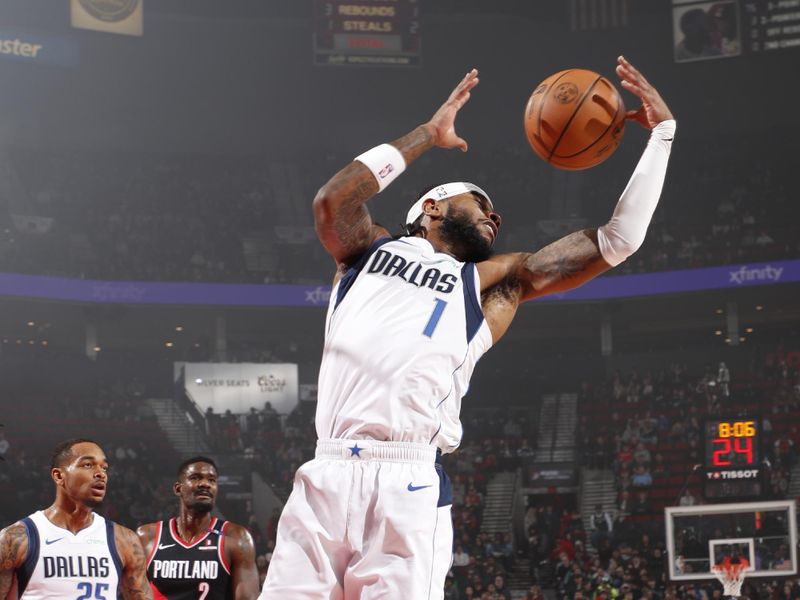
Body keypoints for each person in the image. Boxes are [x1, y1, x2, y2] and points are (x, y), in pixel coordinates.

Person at [262, 55, 675, 599]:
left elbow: (617, 240)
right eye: (480, 202)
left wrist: (662, 136)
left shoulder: (492, 282)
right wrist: (427, 136)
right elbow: (331, 200)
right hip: (327, 470)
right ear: (431, 206)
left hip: (406, 482)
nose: (494, 218)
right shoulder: (366, 250)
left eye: (495, 213)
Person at [0, 438, 152, 599]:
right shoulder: (17, 539)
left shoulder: (124, 540)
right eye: (88, 465)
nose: (101, 473)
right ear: (59, 476)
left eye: (105, 467)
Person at [137, 457, 259, 599]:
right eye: (195, 478)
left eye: (212, 480)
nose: (205, 484)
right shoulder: (147, 537)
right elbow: (132, 594)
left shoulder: (236, 538)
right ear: (178, 489)